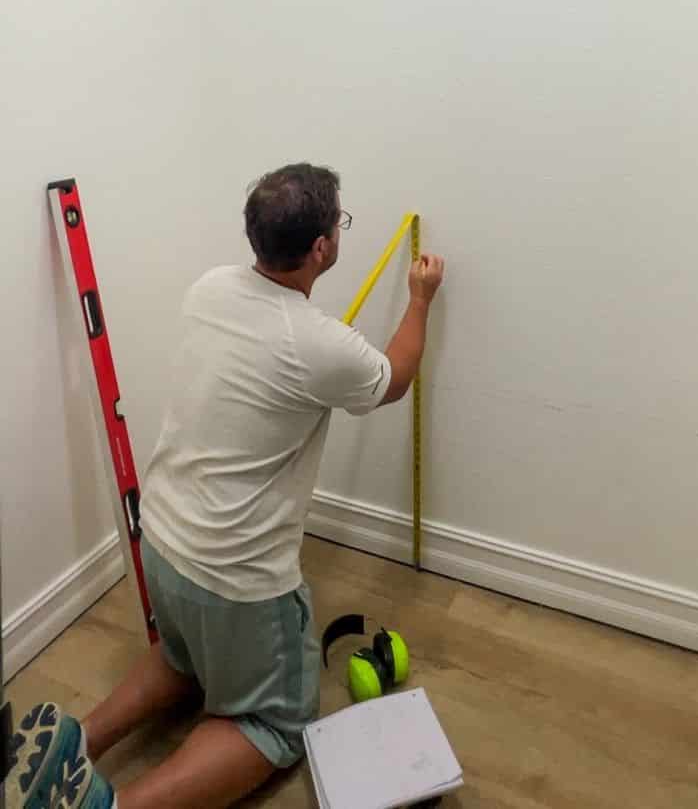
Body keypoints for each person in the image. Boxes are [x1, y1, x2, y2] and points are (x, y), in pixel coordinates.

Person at [5, 163, 444, 809]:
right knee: (275, 726)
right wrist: (421, 297)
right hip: (236, 582)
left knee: (184, 657)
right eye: (338, 222)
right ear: (322, 247)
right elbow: (396, 376)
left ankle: (76, 741)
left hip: (162, 543)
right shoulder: (320, 344)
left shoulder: (209, 287)